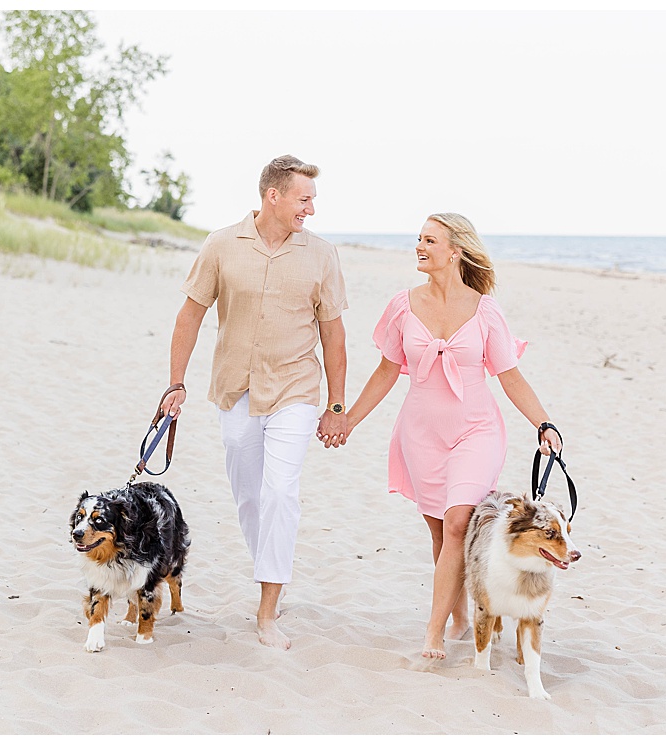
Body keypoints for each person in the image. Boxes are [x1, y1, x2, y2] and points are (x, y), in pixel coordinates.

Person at [341, 213, 561, 661]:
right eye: (418, 239)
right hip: (420, 433)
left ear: (455, 250)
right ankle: (462, 616)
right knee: (443, 536)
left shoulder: (484, 310)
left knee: (460, 522)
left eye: (430, 240)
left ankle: (433, 632)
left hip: (476, 430)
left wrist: (544, 423)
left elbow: (510, 377)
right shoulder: (403, 305)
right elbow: (386, 371)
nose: (419, 246)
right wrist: (349, 420)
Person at [160, 155, 349, 650]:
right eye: (304, 199)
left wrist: (336, 404)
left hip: (295, 388)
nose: (310, 208)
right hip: (235, 388)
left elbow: (333, 333)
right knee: (250, 497)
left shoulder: (322, 254)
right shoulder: (222, 244)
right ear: (274, 196)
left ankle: (268, 608)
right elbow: (190, 316)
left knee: (281, 492)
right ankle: (271, 569)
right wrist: (175, 383)